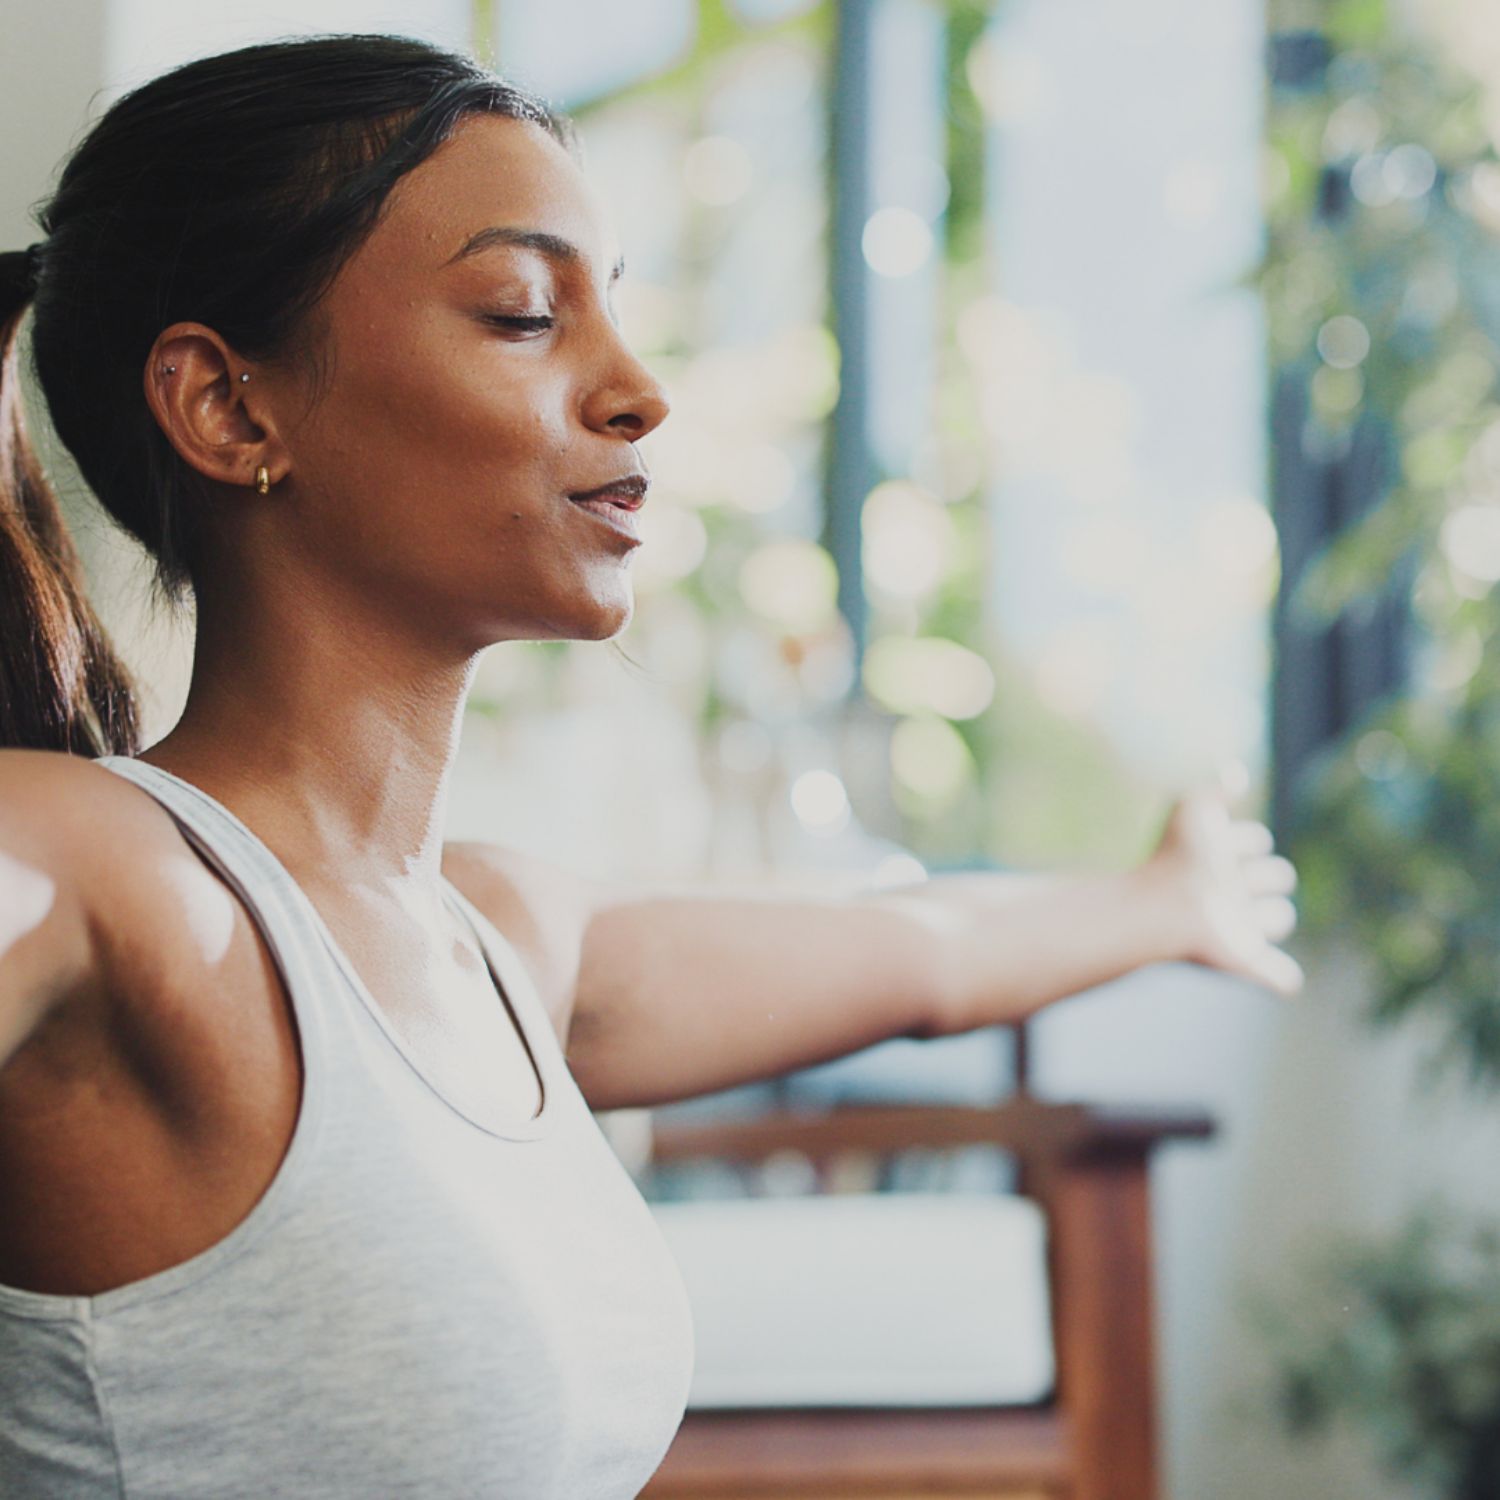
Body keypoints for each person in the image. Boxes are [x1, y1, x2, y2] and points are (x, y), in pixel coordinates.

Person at [0, 33, 1301, 1500]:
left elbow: (922, 954)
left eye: (616, 307)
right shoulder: (95, 870)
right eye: (520, 313)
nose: (639, 392)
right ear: (232, 410)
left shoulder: (502, 944)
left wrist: (1167, 900)